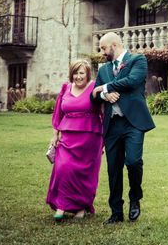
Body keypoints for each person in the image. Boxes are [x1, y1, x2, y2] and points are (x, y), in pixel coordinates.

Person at [91, 32, 156, 224]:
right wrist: (104, 96)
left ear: (114, 45)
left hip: (133, 123)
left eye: (103, 48)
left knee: (134, 161)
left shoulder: (138, 60)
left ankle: (135, 198)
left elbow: (132, 81)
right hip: (112, 125)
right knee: (113, 169)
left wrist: (104, 88)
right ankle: (116, 212)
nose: (102, 52)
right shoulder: (103, 70)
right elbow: (92, 98)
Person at [46, 59, 103, 222]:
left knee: (84, 173)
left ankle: (81, 206)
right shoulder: (66, 88)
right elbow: (58, 113)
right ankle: (61, 206)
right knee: (63, 168)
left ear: (87, 74)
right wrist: (54, 134)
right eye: (75, 73)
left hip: (90, 137)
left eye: (81, 73)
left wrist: (104, 139)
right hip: (67, 136)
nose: (78, 77)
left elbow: (102, 112)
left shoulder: (94, 87)